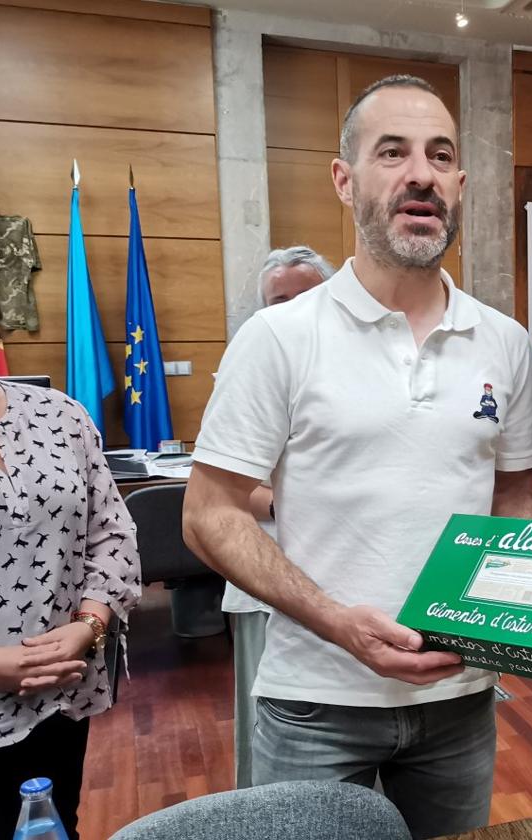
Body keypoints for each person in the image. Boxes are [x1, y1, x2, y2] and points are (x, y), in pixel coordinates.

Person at [182, 75, 532, 839]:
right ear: (345, 181)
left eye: (439, 155)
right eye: (393, 152)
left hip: (461, 695)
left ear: (459, 184)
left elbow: (516, 492)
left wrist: (509, 616)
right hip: (316, 699)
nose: (420, 173)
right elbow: (209, 513)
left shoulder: (506, 342)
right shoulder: (278, 337)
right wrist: (337, 622)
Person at [0, 262, 141, 839]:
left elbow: (112, 533)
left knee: (54, 826)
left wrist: (90, 624)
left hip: (62, 695)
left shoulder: (60, 415)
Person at [221, 245, 334, 790]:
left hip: (344, 576)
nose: (290, 309)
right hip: (263, 571)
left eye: (304, 296)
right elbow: (219, 490)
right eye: (277, 300)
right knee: (273, 724)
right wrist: (290, 499)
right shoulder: (251, 362)